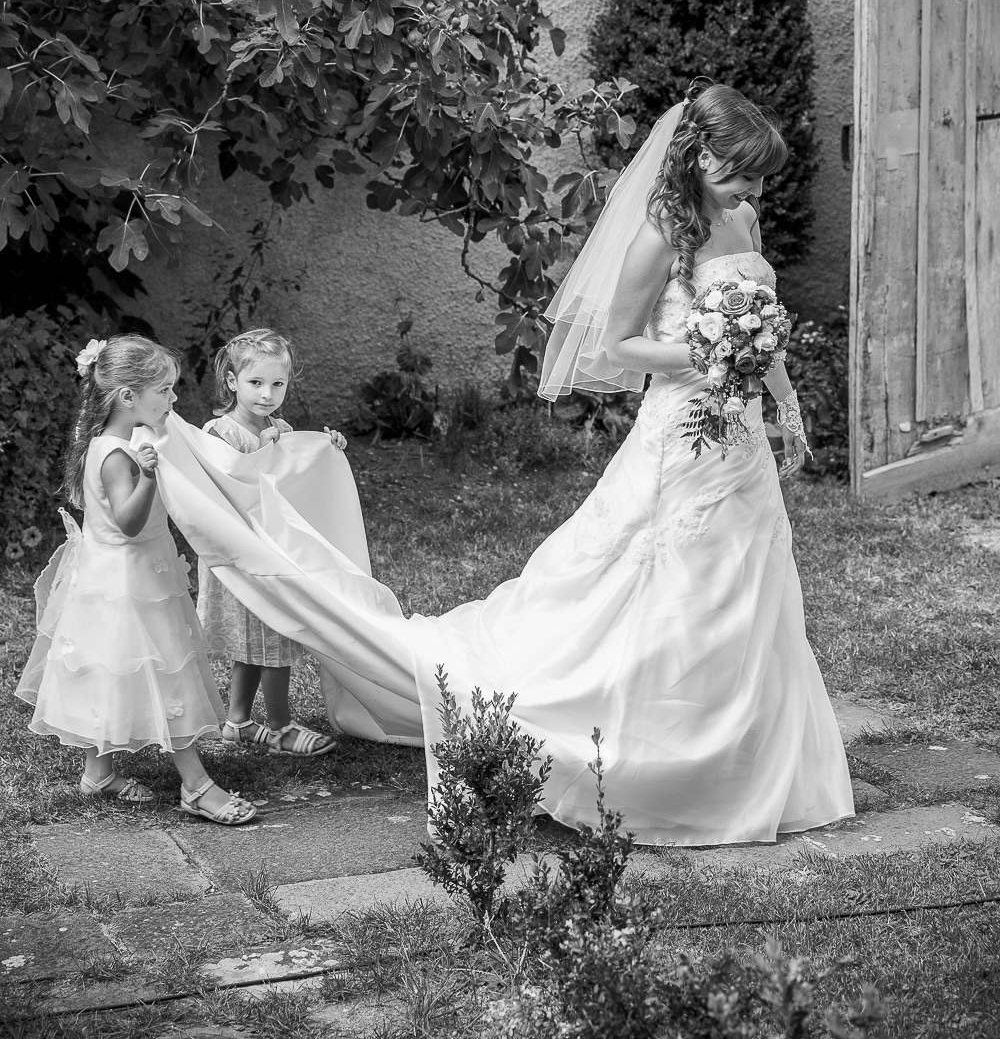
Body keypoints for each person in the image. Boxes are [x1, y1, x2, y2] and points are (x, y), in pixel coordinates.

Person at [146, 81, 854, 847]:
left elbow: (760, 328)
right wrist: (708, 353)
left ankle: (745, 756)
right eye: (738, 174)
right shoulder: (662, 233)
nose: (752, 191)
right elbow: (618, 344)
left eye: (756, 178)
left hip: (738, 437)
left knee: (747, 579)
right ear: (697, 156)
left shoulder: (742, 220)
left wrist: (782, 402)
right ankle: (643, 750)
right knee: (667, 581)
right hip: (681, 432)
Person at [15, 335, 256, 826]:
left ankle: (97, 773)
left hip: (117, 575)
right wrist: (148, 477)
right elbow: (126, 522)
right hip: (130, 582)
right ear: (129, 396)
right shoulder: (120, 456)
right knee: (166, 669)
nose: (172, 399)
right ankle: (196, 785)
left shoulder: (109, 442)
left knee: (113, 671)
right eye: (164, 391)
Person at [197, 328, 346, 757]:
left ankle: (237, 721)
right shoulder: (219, 432)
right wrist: (261, 452)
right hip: (241, 553)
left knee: (260, 638)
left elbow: (294, 481)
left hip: (273, 547)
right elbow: (225, 488)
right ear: (232, 382)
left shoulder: (280, 428)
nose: (267, 394)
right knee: (273, 635)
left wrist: (324, 449)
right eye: (255, 383)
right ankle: (280, 726)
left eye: (277, 384)